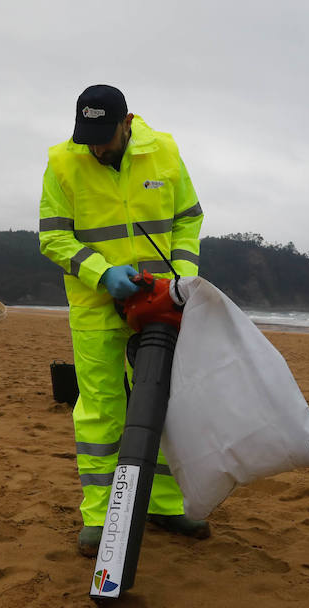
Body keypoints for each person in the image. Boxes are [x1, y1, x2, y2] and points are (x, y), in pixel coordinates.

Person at [38, 84, 210, 557]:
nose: (95, 147)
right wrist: (101, 272)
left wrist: (181, 281)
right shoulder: (61, 162)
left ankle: (163, 502)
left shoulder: (166, 152)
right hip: (96, 306)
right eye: (86, 137)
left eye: (104, 136)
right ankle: (100, 515)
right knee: (100, 410)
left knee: (161, 404)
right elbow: (53, 238)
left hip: (159, 303)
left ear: (128, 122)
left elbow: (188, 220)